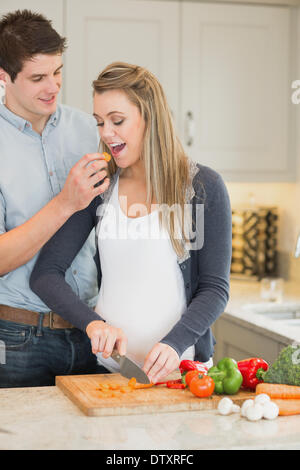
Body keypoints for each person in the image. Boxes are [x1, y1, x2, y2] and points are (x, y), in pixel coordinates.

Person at [30, 62, 232, 384]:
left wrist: (174, 343)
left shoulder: (202, 187)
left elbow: (215, 288)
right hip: (110, 372)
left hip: (183, 375)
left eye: (117, 120)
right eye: (99, 122)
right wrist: (93, 324)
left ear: (149, 117)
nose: (106, 133)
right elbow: (46, 275)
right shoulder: (100, 186)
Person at [0, 10, 110, 388]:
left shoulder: (88, 128)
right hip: (18, 339)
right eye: (37, 77)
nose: (53, 87)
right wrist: (66, 202)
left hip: (91, 332)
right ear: (3, 76)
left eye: (58, 72)